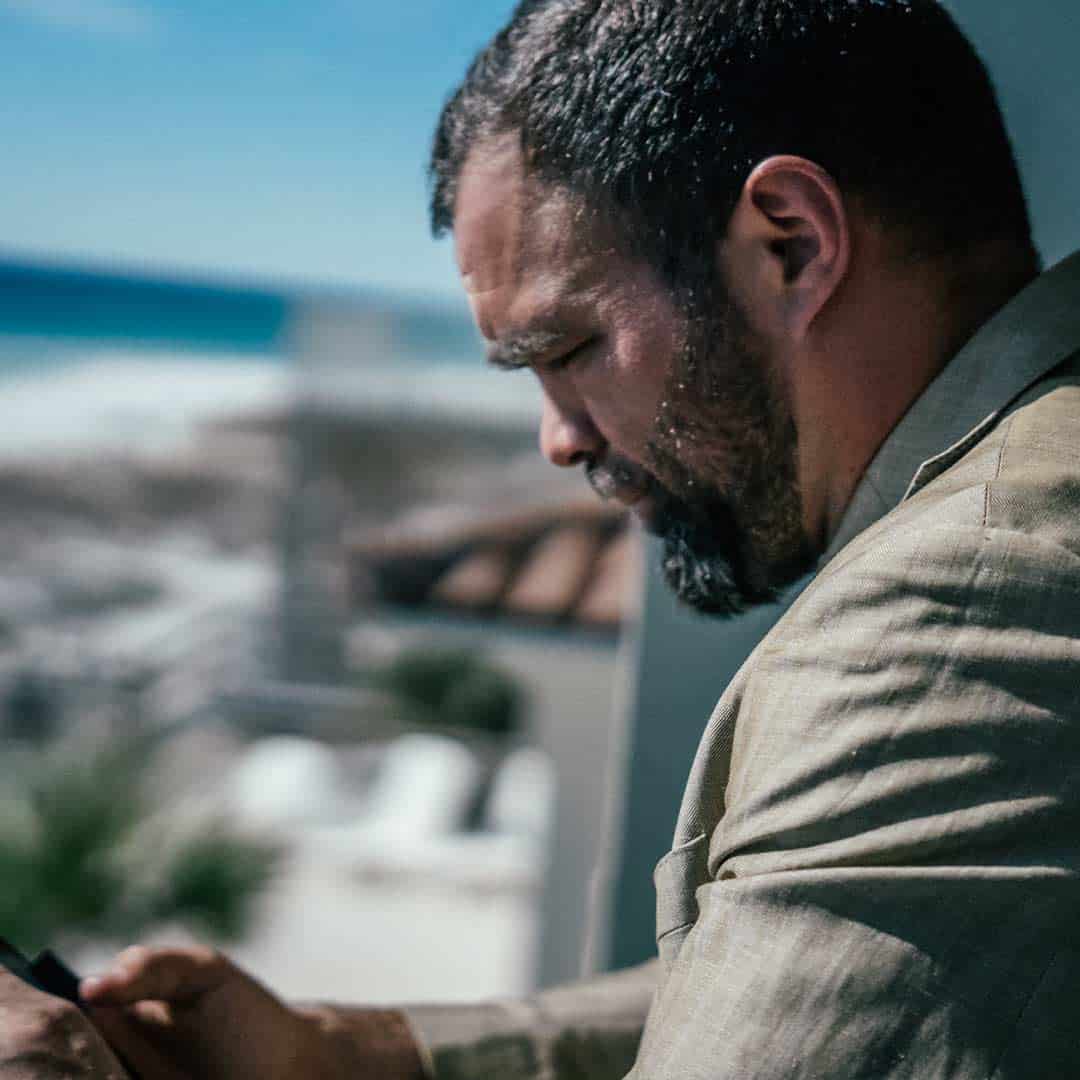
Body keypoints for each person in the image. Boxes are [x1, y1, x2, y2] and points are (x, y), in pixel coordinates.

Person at [5, 0, 1080, 1075]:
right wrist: (354, 1055)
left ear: (790, 246)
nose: (558, 439)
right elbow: (812, 948)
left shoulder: (958, 608)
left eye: (566, 348)